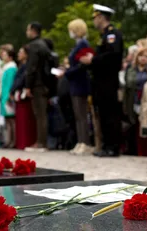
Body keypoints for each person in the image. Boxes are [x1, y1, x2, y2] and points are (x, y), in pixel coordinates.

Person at [79, 4, 124, 157]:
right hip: (100, 81)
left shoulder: (112, 34)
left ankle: (112, 146)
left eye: (95, 18)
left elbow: (112, 57)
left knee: (110, 114)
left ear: (101, 17)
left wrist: (93, 60)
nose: (94, 21)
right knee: (103, 114)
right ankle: (106, 145)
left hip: (108, 80)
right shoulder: (104, 35)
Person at [62, 18, 93, 155]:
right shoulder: (77, 45)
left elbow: (82, 65)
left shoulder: (83, 44)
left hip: (80, 82)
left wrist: (67, 72)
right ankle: (80, 141)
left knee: (81, 114)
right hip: (75, 82)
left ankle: (85, 142)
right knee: (78, 114)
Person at [24, 22, 51, 152]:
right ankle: (41, 141)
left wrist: (28, 85)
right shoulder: (44, 44)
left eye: (28, 29)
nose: (26, 32)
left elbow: (32, 67)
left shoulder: (35, 45)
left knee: (40, 114)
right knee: (41, 114)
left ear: (33, 30)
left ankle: (41, 142)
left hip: (38, 83)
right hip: (44, 82)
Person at [123, 48, 147, 156]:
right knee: (132, 126)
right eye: (141, 55)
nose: (143, 58)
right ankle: (133, 150)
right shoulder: (131, 69)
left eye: (146, 56)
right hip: (133, 100)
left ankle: (146, 152)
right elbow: (128, 85)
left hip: (146, 102)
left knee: (144, 126)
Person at [10, 46, 37, 150]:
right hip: (19, 93)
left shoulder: (26, 66)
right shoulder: (22, 66)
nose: (18, 54)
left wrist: (13, 89)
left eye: (21, 52)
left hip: (23, 94)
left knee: (25, 120)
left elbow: (21, 80)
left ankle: (25, 142)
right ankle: (21, 142)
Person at [0, 44, 18, 148]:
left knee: (11, 120)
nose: (3, 56)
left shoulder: (11, 68)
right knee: (7, 120)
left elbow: (10, 83)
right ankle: (9, 140)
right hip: (4, 95)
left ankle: (13, 140)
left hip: (7, 95)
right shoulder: (5, 67)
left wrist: (8, 96)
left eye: (5, 55)